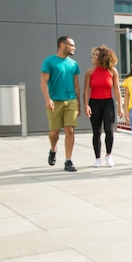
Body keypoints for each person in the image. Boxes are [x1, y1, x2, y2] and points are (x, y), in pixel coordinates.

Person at [40, 36, 81, 172]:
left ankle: (68, 160)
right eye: (72, 45)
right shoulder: (49, 61)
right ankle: (53, 149)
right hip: (55, 101)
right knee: (54, 133)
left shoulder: (74, 64)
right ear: (63, 45)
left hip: (71, 100)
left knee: (70, 130)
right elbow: (43, 82)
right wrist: (47, 99)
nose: (74, 48)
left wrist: (78, 103)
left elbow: (76, 84)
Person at [83, 45, 123, 167]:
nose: (93, 57)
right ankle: (97, 158)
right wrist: (86, 105)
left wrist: (120, 106)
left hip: (108, 103)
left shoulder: (112, 71)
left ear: (102, 57)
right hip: (94, 103)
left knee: (109, 130)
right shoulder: (90, 72)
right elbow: (86, 90)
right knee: (96, 131)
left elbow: (116, 90)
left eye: (96, 55)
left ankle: (109, 155)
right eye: (93, 54)